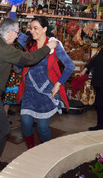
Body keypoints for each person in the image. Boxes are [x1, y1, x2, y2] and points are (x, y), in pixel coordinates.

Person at [0, 18, 57, 171]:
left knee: (2, 128)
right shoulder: (5, 49)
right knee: (2, 129)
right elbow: (30, 58)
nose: (17, 36)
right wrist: (48, 47)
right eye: (17, 32)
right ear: (10, 32)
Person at [17, 17, 75, 149]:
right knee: (25, 124)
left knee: (43, 128)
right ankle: (31, 148)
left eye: (35, 28)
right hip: (29, 92)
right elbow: (13, 29)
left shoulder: (54, 45)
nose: (32, 31)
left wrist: (58, 84)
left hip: (47, 92)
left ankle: (45, 150)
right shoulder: (28, 43)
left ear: (44, 29)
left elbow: (70, 66)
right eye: (31, 28)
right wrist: (14, 7)